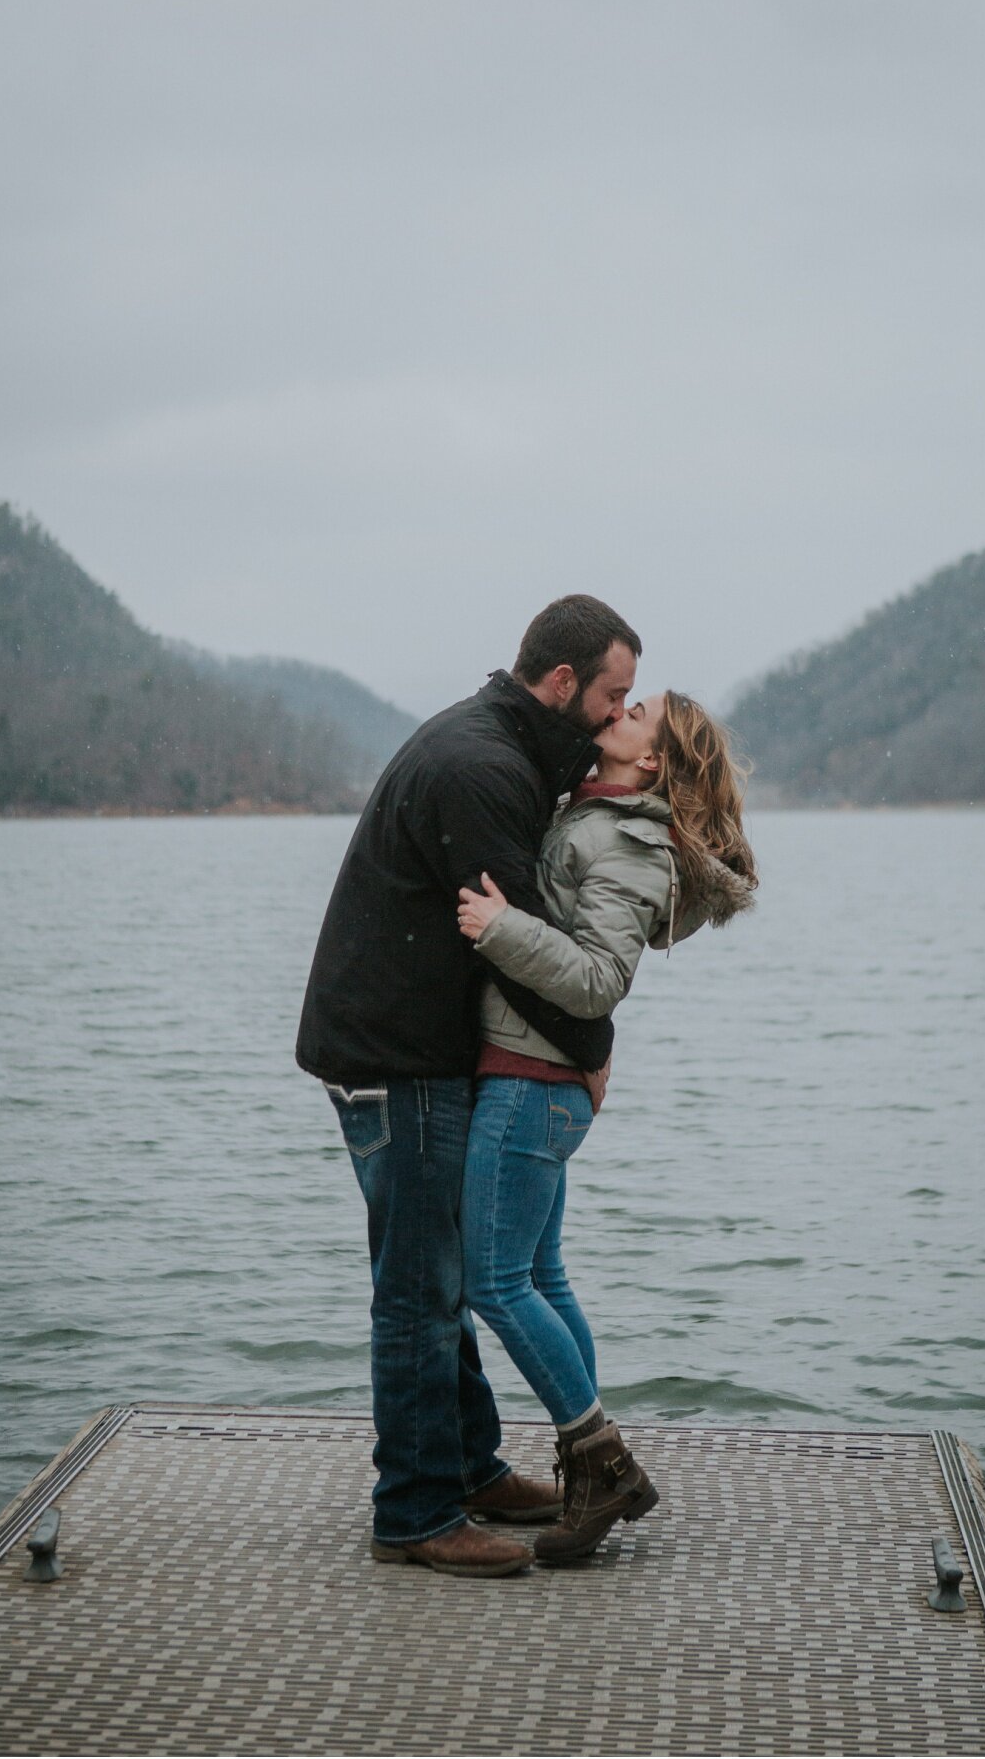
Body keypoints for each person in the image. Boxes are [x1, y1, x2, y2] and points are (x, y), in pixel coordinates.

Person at [295, 594, 639, 1578]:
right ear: (561, 682)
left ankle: (470, 1468)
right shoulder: (481, 768)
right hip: (392, 1058)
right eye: (612, 695)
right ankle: (413, 1511)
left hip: (408, 1045)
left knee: (438, 1276)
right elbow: (524, 939)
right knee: (416, 1288)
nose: (621, 713)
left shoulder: (506, 746)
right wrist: (593, 1046)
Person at [453, 690, 756, 1562]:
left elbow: (594, 981)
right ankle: (590, 1467)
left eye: (634, 716)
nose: (613, 716)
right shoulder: (593, 806)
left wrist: (499, 926)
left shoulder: (629, 843)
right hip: (539, 1081)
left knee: (496, 1282)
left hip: (532, 1081)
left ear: (651, 762)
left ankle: (602, 1459)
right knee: (537, 1273)